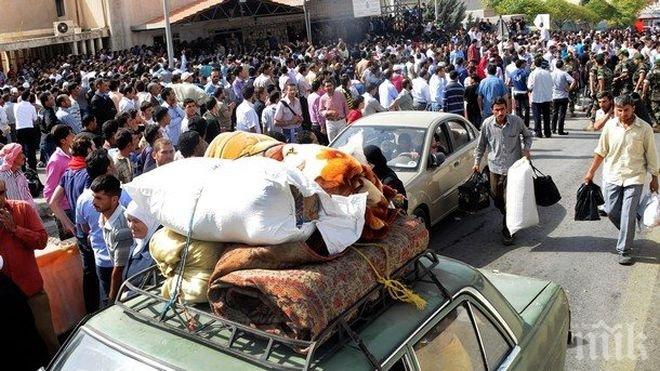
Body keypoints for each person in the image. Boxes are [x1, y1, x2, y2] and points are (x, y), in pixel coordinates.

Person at [583, 94, 658, 265]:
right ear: (615, 110)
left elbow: (652, 154)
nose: (623, 114)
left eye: (626, 110)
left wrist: (655, 177)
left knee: (627, 213)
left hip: (635, 176)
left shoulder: (644, 128)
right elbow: (601, 151)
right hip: (612, 175)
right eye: (619, 110)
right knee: (610, 210)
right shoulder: (610, 126)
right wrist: (591, 172)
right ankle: (629, 227)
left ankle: (624, 249)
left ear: (633, 109)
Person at [0, 178, 58, 357]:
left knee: (48, 339)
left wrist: (15, 229)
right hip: (5, 300)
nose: (1, 199)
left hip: (31, 293)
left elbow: (41, 241)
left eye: (2, 193)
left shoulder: (22, 209)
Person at [473, 98, 533, 245]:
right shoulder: (487, 124)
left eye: (502, 109)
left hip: (514, 169)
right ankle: (507, 214)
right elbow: (480, 146)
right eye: (497, 110)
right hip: (495, 168)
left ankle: (508, 229)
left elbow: (528, 135)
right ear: (492, 110)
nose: (500, 113)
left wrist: (526, 149)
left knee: (509, 201)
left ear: (507, 109)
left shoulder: (516, 121)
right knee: (497, 198)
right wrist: (477, 163)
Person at [92, 174, 134, 302]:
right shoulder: (105, 214)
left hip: (128, 283)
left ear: (114, 199)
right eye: (93, 197)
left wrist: (112, 300)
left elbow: (118, 271)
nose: (93, 202)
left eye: (99, 198)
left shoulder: (121, 228)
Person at [44, 125, 74, 235]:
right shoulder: (55, 161)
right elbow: (48, 192)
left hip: (74, 206)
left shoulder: (72, 154)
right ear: (63, 141)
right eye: (70, 134)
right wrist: (62, 218)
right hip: (65, 211)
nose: (73, 136)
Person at [122, 201, 160, 284]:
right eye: (129, 220)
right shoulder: (139, 241)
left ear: (150, 221)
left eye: (136, 221)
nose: (131, 225)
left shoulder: (159, 253)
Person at [364, 145, 407, 211]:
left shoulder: (389, 180)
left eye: (369, 163)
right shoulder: (370, 176)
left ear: (376, 162)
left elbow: (400, 204)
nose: (366, 166)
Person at [0, 143, 36, 209]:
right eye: (21, 153)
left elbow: (27, 196)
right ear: (12, 156)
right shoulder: (1, 177)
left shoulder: (20, 175)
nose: (24, 156)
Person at [527, 57, 554, 138]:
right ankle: (547, 132)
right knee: (546, 116)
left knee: (537, 116)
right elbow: (551, 84)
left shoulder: (533, 74)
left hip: (536, 97)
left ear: (535, 64)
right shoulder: (547, 73)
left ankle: (538, 132)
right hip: (546, 97)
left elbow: (530, 86)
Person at [550, 60, 576, 135]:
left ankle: (553, 129)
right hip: (563, 95)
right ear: (562, 65)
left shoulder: (552, 74)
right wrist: (569, 89)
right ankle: (560, 130)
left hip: (555, 95)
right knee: (562, 114)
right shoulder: (564, 73)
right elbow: (573, 81)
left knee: (555, 113)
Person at [510, 59, 530, 127]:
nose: (525, 65)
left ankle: (519, 124)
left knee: (518, 109)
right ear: (521, 64)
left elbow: (509, 83)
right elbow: (527, 82)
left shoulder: (512, 73)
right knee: (527, 108)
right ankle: (526, 125)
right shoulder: (525, 72)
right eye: (524, 64)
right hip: (524, 92)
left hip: (516, 92)